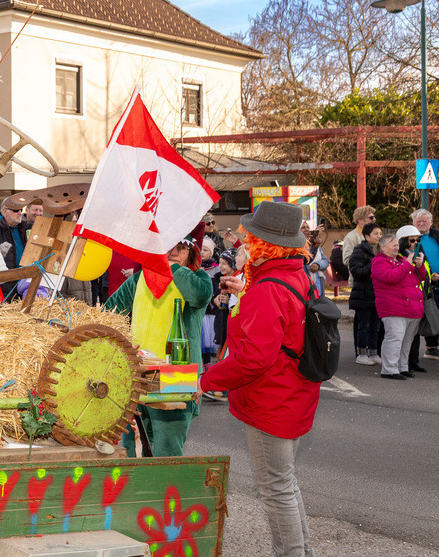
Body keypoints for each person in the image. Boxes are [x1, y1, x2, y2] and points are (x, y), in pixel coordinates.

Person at [198, 201, 319, 556]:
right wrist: (245, 292)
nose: (244, 246)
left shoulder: (268, 286)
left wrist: (205, 380)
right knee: (286, 485)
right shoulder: (294, 273)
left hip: (271, 399)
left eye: (249, 240)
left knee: (276, 489)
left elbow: (254, 358)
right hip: (293, 392)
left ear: (265, 245)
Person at [105, 224, 213, 457]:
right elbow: (107, 312)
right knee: (129, 449)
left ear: (191, 252)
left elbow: (199, 296)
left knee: (167, 449)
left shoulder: (198, 278)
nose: (173, 251)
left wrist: (171, 268)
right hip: (137, 371)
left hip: (177, 374)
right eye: (167, 245)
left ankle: (166, 492)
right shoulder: (139, 278)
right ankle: (133, 492)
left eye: (180, 247)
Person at [372, 229, 427, 380]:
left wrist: (420, 265)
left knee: (406, 340)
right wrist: (408, 264)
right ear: (382, 246)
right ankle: (389, 369)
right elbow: (390, 277)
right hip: (394, 308)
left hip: (412, 308)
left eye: (397, 244)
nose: (396, 247)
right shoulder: (379, 261)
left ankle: (402, 366)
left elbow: (422, 277)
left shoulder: (402, 261)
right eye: (392, 245)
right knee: (394, 339)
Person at [348, 222, 383, 366]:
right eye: (376, 234)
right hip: (362, 295)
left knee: (376, 325)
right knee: (364, 325)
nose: (379, 236)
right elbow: (356, 271)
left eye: (380, 234)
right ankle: (361, 354)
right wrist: (374, 262)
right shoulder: (359, 250)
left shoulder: (381, 250)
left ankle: (373, 352)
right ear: (367, 236)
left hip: (377, 294)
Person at [409, 209, 439, 361]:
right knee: (429, 314)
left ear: (431, 223)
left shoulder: (436, 235)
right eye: (418, 222)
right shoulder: (410, 239)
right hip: (423, 283)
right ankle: (430, 347)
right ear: (413, 223)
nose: (421, 224)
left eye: (424, 221)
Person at [0, 199, 28, 300]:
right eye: (15, 210)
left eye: (20, 209)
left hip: (26, 286)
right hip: (7, 291)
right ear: (4, 211)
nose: (19, 213)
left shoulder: (26, 228)